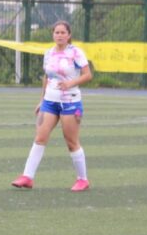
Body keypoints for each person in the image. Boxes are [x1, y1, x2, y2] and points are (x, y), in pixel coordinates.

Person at [11, 20, 93, 192]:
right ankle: (27, 177)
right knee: (40, 137)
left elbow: (87, 75)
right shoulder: (49, 53)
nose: (60, 35)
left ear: (69, 35)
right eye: (57, 32)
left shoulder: (75, 52)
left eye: (63, 32)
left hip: (70, 101)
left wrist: (70, 84)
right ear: (53, 34)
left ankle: (82, 179)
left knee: (71, 142)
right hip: (50, 101)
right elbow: (47, 78)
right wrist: (41, 100)